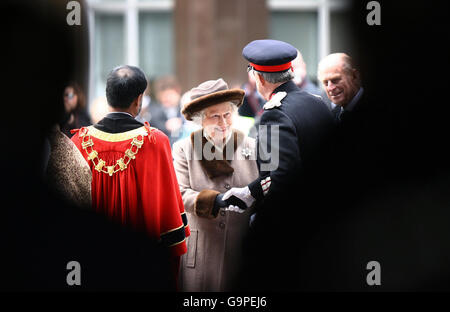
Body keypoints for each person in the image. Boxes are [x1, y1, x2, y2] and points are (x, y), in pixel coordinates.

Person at [221, 39, 335, 290]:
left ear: (259, 79)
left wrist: (250, 193)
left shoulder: (274, 112)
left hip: (292, 228)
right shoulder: (317, 102)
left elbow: (281, 175)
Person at [71, 65, 190, 285]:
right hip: (141, 264)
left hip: (92, 258)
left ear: (108, 97)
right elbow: (167, 214)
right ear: (139, 99)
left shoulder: (79, 141)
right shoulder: (155, 141)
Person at [172, 78, 259, 291]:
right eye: (215, 116)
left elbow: (266, 188)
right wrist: (216, 201)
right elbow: (179, 194)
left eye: (227, 115)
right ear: (201, 120)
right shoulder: (184, 148)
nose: (223, 123)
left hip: (240, 248)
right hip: (202, 251)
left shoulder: (252, 146)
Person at [144, 75, 185, 146]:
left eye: (168, 95)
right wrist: (165, 126)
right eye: (162, 97)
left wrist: (182, 122)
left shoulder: (184, 109)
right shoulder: (154, 111)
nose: (165, 100)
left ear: (177, 91)